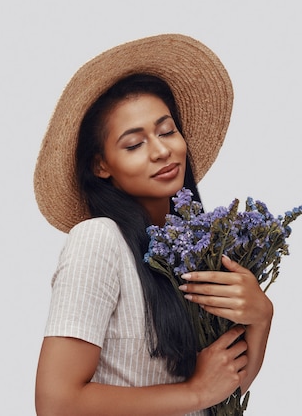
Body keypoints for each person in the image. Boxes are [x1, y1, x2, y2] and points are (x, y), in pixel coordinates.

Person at [33, 34, 273, 416]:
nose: (161, 150)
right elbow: (56, 403)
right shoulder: (98, 241)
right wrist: (195, 392)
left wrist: (261, 317)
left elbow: (225, 391)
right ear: (101, 165)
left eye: (166, 131)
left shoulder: (198, 251)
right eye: (133, 144)